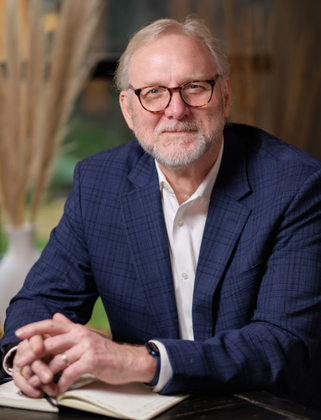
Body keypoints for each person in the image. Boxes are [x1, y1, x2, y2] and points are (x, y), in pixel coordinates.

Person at [1, 16, 321, 410]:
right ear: (128, 108)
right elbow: (39, 300)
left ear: (224, 96)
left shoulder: (294, 184)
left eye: (194, 88)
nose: (176, 110)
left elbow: (282, 342)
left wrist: (140, 361)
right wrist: (28, 355)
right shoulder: (99, 181)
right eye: (153, 92)